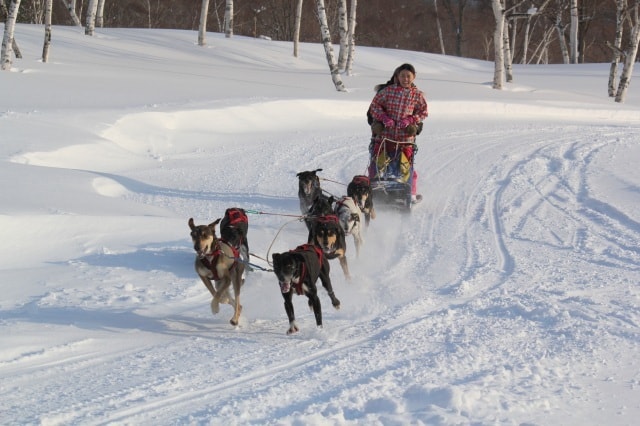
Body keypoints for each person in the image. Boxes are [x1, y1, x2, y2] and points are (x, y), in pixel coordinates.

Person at [367, 63, 428, 203]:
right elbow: (374, 106)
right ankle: (372, 189)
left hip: (405, 138)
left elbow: (423, 111)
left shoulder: (417, 95)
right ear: (397, 77)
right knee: (378, 162)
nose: (405, 79)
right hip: (385, 136)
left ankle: (410, 193)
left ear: (414, 77)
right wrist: (383, 118)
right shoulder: (388, 91)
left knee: (406, 165)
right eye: (402, 76)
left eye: (408, 76)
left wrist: (411, 120)